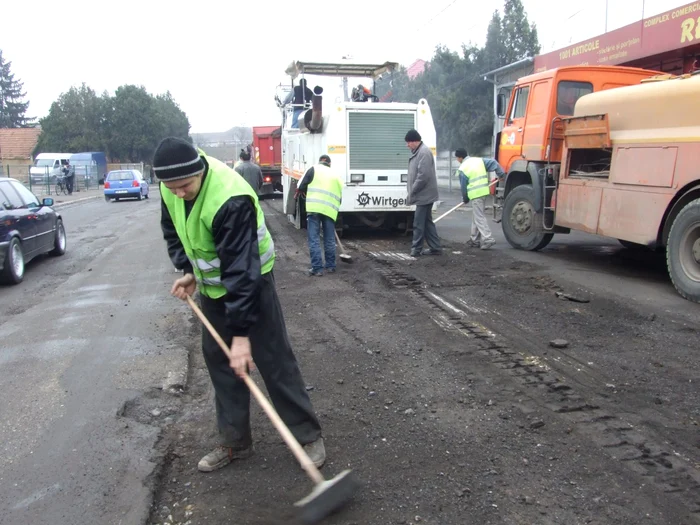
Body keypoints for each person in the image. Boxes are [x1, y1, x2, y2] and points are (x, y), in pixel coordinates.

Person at [154, 137, 325, 473]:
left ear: (198, 171)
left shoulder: (230, 199)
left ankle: (307, 436)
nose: (178, 193)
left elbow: (241, 270)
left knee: (273, 359)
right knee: (221, 362)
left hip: (252, 285)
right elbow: (173, 230)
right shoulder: (170, 188)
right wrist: (188, 271)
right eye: (171, 187)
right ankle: (235, 442)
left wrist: (242, 335)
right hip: (211, 290)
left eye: (184, 185)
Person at [296, 155, 343, 276]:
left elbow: (300, 186)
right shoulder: (336, 175)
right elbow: (340, 197)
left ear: (320, 161)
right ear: (329, 163)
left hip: (314, 209)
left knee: (314, 239)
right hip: (330, 211)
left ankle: (317, 268)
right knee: (329, 239)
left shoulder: (313, 169)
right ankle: (331, 266)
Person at [455, 148, 505, 250]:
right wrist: (501, 174)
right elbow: (494, 163)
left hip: (475, 194)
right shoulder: (479, 161)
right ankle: (474, 239)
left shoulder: (463, 168)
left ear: (460, 157)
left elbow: (463, 187)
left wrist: (465, 198)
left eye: (457, 158)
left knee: (479, 217)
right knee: (476, 216)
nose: (457, 160)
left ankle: (488, 239)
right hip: (483, 192)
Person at [405, 129, 441, 257]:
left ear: (415, 141)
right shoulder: (419, 151)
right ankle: (435, 247)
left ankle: (416, 249)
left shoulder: (424, 152)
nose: (407, 145)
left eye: (408, 142)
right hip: (424, 194)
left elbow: (423, 176)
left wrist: (412, 192)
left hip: (424, 195)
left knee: (418, 223)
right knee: (426, 222)